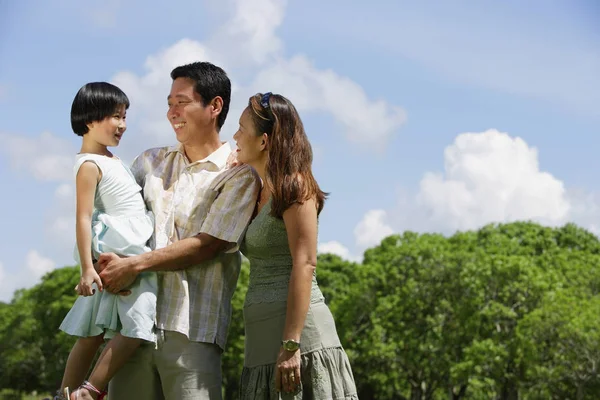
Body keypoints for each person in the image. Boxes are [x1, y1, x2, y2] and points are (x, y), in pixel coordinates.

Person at [95, 62, 260, 400]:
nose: (172, 113)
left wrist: (133, 266)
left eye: (181, 102)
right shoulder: (149, 162)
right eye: (169, 103)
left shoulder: (238, 174)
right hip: (131, 325)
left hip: (192, 329)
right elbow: (113, 216)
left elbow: (207, 244)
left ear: (214, 106)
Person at [233, 92, 358, 399]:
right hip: (259, 341)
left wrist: (291, 345)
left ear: (263, 141)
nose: (234, 136)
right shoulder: (256, 190)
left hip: (299, 341)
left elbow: (305, 263)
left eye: (240, 129)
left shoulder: (296, 186)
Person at [56, 82, 157, 400]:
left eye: (125, 116)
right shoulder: (89, 164)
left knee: (93, 330)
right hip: (120, 254)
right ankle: (86, 391)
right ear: (90, 119)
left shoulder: (112, 159)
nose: (123, 124)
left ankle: (65, 394)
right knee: (138, 321)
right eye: (115, 116)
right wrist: (87, 268)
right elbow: (82, 217)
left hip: (126, 251)